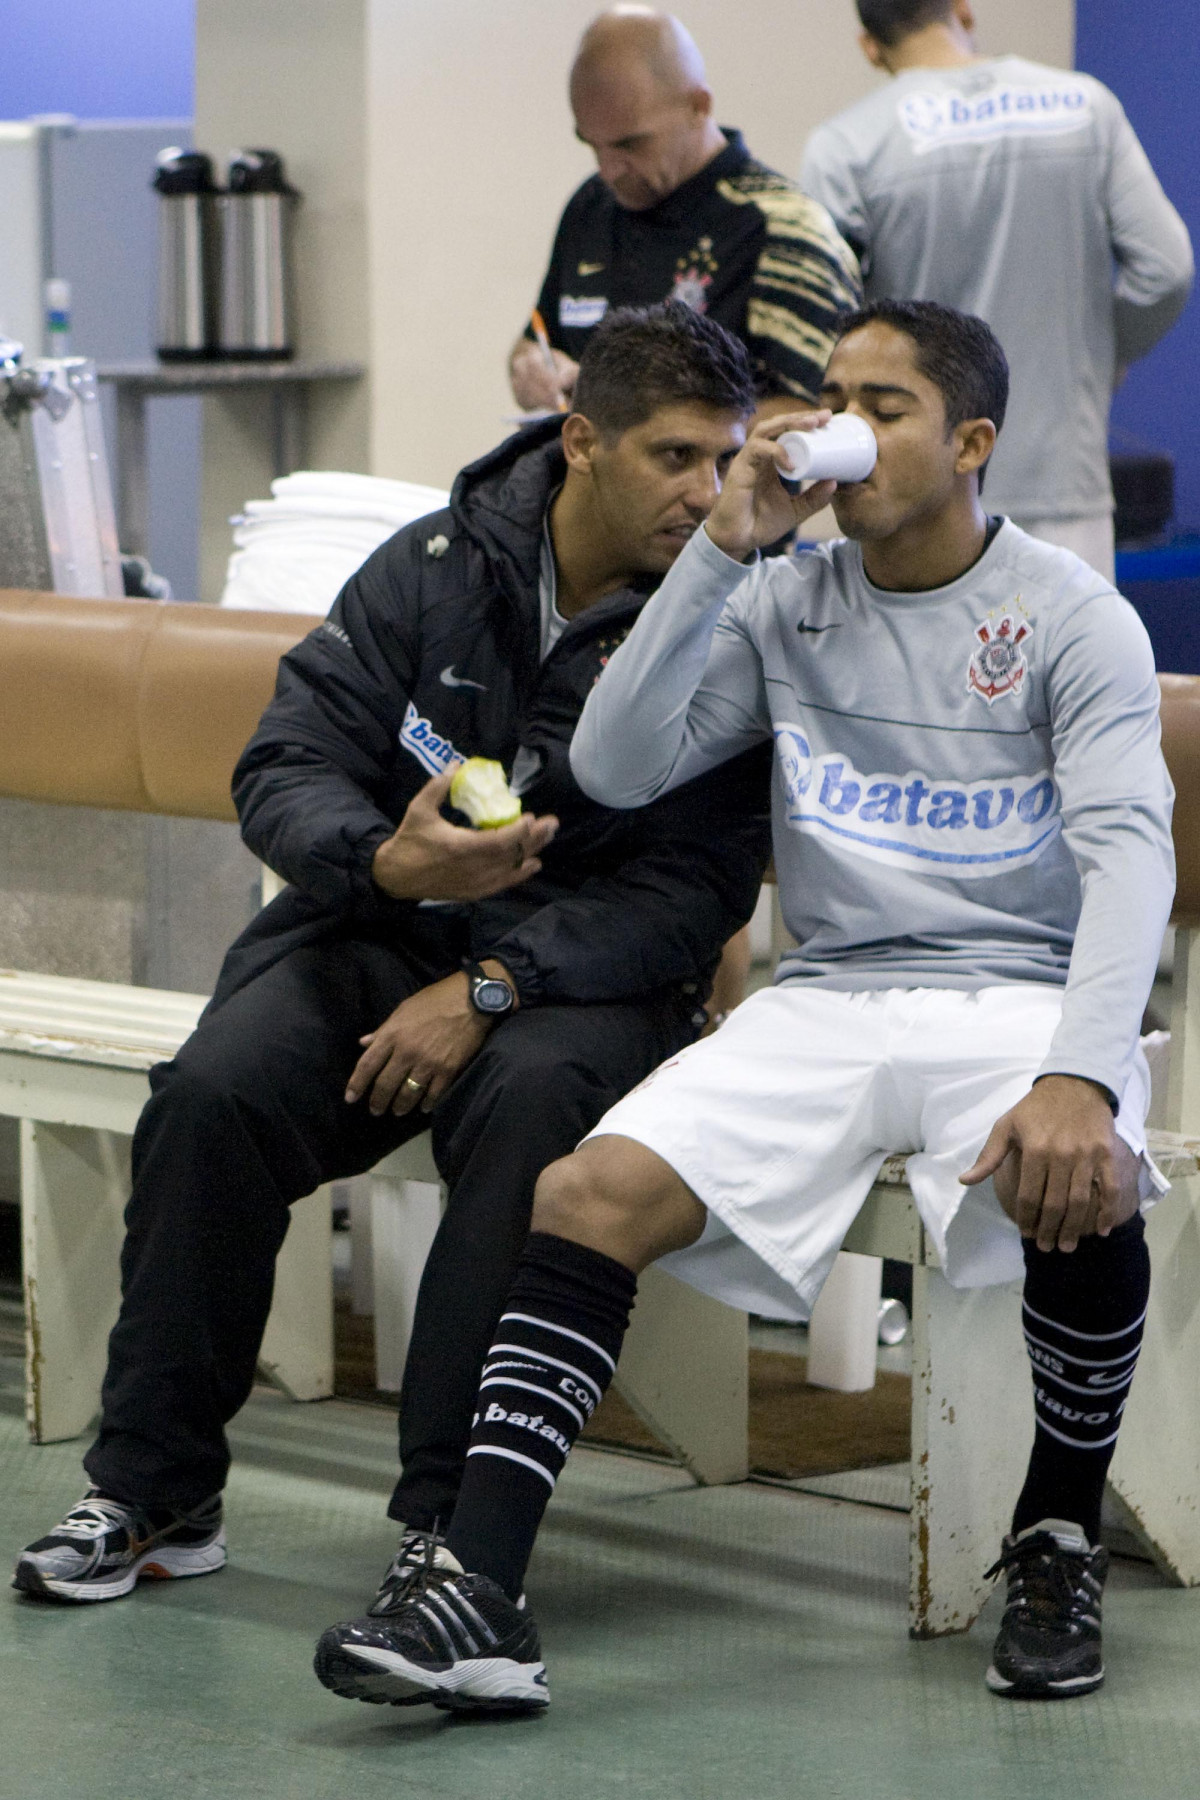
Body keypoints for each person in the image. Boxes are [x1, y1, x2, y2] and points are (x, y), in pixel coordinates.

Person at [314, 300, 1174, 1714]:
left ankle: (1057, 1534)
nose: (840, 424)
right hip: (827, 996)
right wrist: (728, 548)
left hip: (1014, 994)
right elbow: (615, 762)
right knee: (585, 1192)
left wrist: (1083, 1065)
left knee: (1076, 1170)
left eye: (882, 405)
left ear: (970, 444)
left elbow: (1129, 855)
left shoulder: (1070, 616)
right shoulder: (782, 593)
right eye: (830, 393)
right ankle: (478, 1590)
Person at [12, 303, 774, 1607]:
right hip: (378, 932)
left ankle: (450, 1527)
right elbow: (286, 760)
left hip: (582, 984)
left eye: (725, 459)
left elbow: (696, 891)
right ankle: (154, 1487)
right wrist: (384, 863)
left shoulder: (726, 614)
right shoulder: (428, 566)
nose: (707, 494)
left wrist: (493, 987)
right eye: (675, 457)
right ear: (581, 440)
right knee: (213, 1095)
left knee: (530, 1110)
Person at [799, 0, 1193, 582]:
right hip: (1064, 488)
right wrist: (1107, 357)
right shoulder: (1086, 107)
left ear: (870, 46)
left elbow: (822, 320)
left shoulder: (846, 146)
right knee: (1073, 670)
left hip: (921, 496)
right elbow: (1166, 269)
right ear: (963, 9)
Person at [509, 8, 862, 418]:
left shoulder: (786, 230)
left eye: (630, 145)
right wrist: (531, 367)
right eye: (592, 145)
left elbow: (806, 415)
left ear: (699, 105)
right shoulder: (591, 205)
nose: (608, 169)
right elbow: (537, 336)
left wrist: (646, 433)